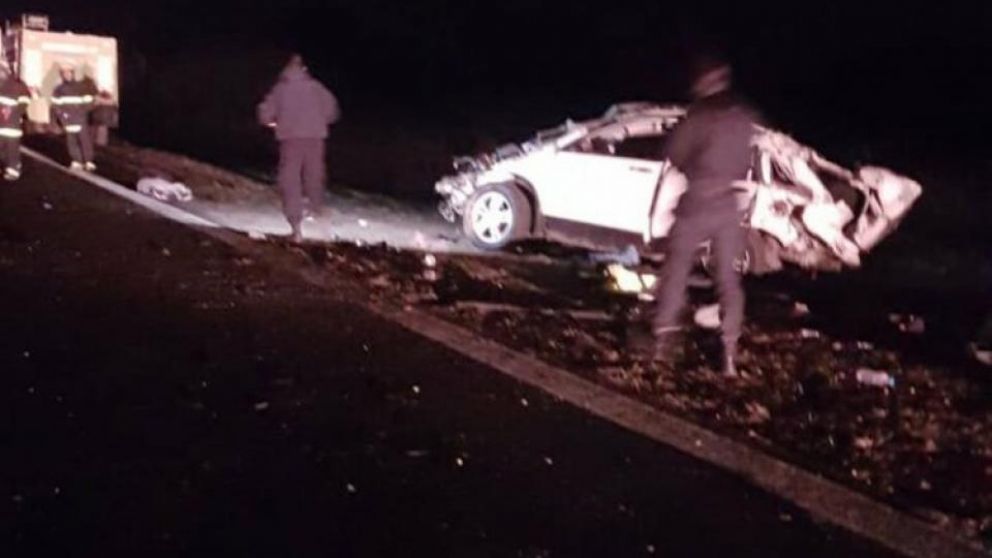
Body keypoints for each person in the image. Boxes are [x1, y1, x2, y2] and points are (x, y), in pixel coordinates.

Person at [652, 55, 760, 377]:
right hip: (728, 206)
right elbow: (745, 162)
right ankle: (729, 353)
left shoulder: (699, 116)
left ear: (707, 82)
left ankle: (662, 345)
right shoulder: (744, 119)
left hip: (698, 201)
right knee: (728, 279)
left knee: (676, 270)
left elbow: (674, 155)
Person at [258, 54, 340, 242]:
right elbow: (332, 111)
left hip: (291, 138)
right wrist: (318, 121)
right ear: (304, 69)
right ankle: (317, 212)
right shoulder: (316, 87)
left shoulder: (280, 89)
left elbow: (265, 114)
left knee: (291, 178)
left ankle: (296, 226)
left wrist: (274, 123)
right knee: (314, 174)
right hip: (315, 138)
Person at [51, 63, 99, 171]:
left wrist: (82, 112)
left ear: (73, 74)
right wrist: (63, 116)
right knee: (71, 141)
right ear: (62, 75)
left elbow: (90, 102)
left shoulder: (81, 87)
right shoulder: (59, 90)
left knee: (85, 140)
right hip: (68, 119)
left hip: (80, 118)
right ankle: (76, 161)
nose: (67, 75)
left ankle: (88, 161)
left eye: (69, 73)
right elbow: (56, 106)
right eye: (65, 73)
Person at [0, 62, 31, 181]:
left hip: (11, 124)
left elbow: (25, 101)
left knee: (12, 148)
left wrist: (16, 112)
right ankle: (7, 167)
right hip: (4, 123)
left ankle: (13, 169)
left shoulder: (18, 85)